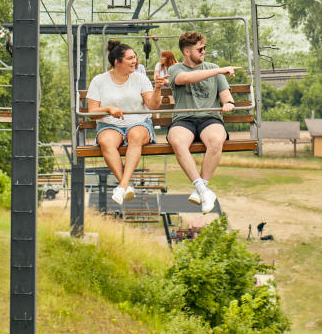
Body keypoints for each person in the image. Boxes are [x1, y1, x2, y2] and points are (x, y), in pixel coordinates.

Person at [166, 31, 239, 214]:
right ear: (187, 52)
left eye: (204, 48)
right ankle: (203, 190)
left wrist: (228, 104)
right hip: (184, 118)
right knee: (177, 141)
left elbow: (226, 96)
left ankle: (201, 190)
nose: (204, 51)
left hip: (209, 117)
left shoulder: (213, 68)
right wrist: (220, 70)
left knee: (216, 139)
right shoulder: (176, 69)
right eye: (200, 49)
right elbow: (185, 79)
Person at [86, 40, 164, 205]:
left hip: (138, 123)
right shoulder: (99, 81)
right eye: (130, 58)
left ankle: (122, 186)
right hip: (110, 125)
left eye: (135, 58)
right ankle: (125, 185)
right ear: (117, 62)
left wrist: (157, 89)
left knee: (135, 136)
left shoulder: (140, 79)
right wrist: (108, 109)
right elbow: (91, 112)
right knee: (106, 141)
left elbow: (152, 105)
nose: (134, 61)